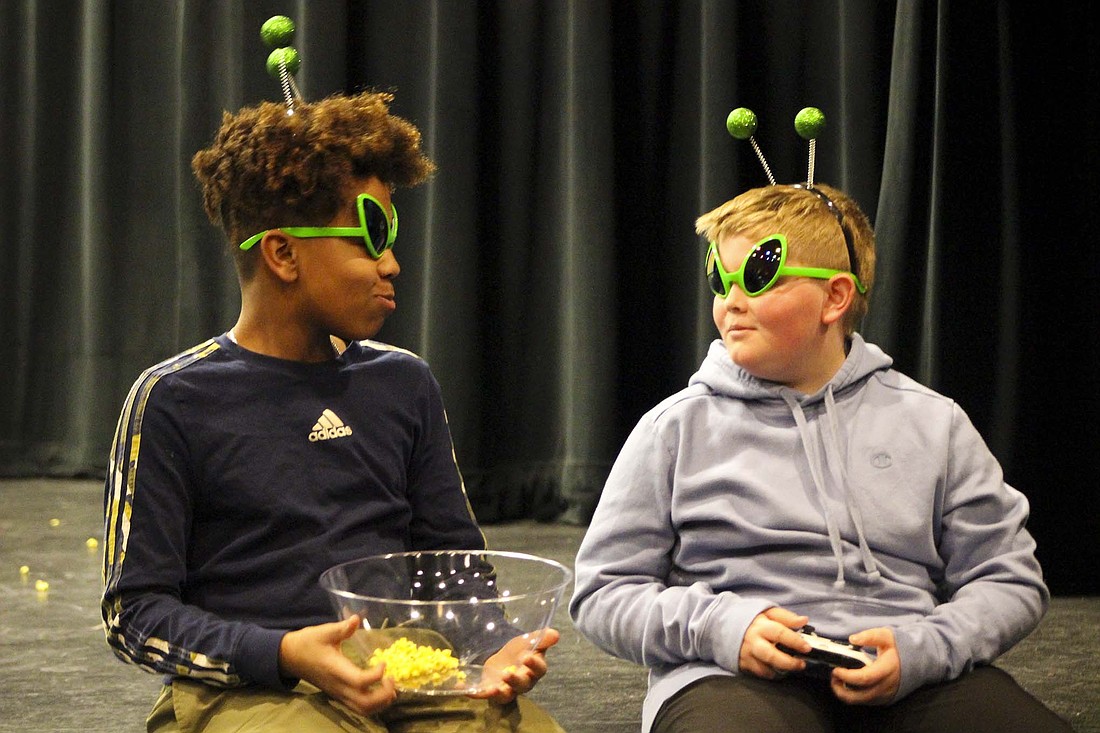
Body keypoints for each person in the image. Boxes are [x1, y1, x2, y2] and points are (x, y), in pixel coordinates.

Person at [101, 90, 564, 733]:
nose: (393, 263)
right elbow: (135, 616)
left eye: (392, 235)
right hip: (252, 687)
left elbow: (452, 564)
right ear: (283, 253)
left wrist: (494, 642)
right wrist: (283, 653)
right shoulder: (174, 398)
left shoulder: (403, 383)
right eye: (373, 235)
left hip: (406, 667)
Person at [569, 182, 1074, 732]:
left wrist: (926, 647)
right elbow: (603, 591)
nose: (731, 301)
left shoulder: (934, 423)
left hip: (911, 676)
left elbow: (1009, 578)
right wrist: (721, 627)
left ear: (834, 298)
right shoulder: (675, 427)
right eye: (721, 279)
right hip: (728, 679)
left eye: (758, 277)